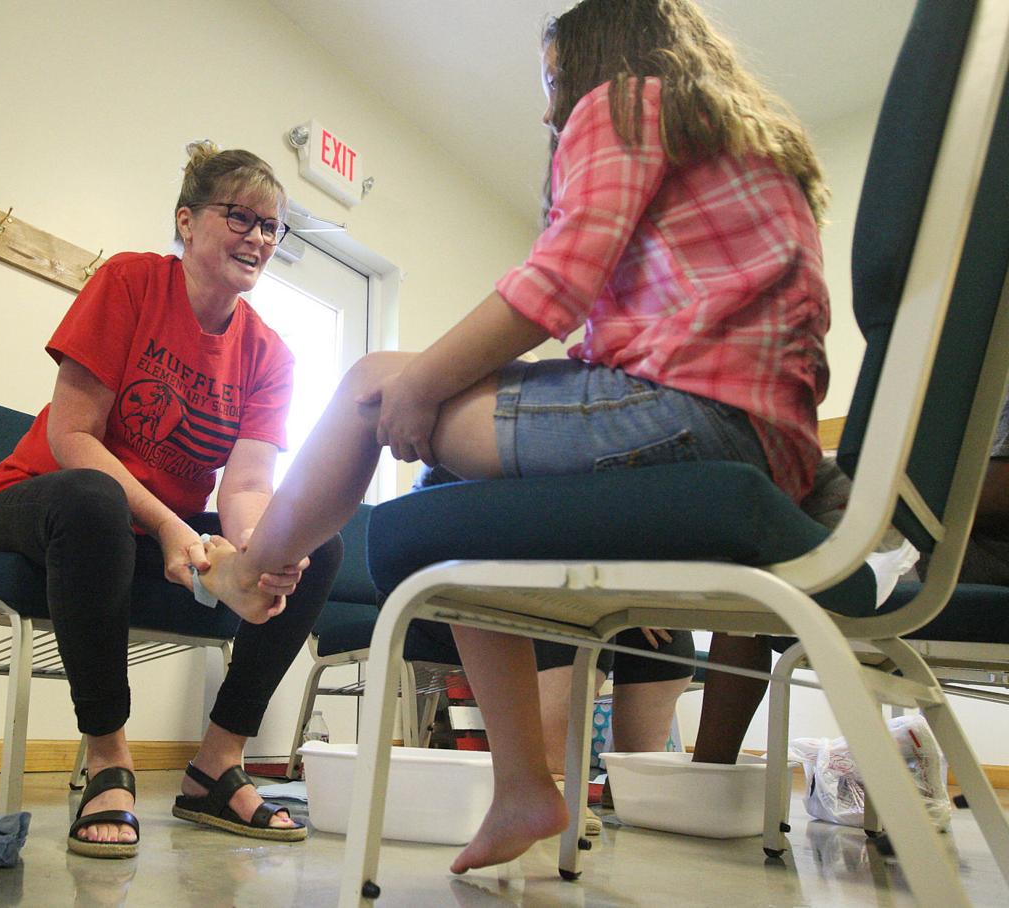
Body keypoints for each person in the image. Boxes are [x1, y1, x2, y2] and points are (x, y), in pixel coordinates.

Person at [196, 0, 829, 875]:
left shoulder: (628, 98)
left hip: (693, 417)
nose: (545, 110)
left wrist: (421, 386)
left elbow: (557, 283)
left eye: (550, 81)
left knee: (368, 384)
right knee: (449, 497)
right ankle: (524, 786)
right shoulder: (743, 141)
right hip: (763, 440)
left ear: (596, 60)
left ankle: (245, 569)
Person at [0, 144, 342, 858]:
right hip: (40, 504)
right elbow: (73, 436)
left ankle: (214, 765)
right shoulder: (130, 283)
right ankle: (109, 759)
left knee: (313, 544)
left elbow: (244, 486)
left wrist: (254, 551)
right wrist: (178, 532)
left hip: (135, 534)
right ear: (187, 221)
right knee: (92, 501)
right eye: (242, 217)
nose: (260, 238)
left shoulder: (270, 355)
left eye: (273, 228)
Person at [691, 395, 1009, 765]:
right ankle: (705, 780)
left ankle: (707, 775)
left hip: (969, 569)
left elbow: (1000, 491)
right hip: (947, 556)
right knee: (757, 582)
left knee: (758, 591)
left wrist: (888, 494)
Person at [414, 464, 695, 834]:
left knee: (661, 633)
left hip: (558, 563)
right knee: (568, 620)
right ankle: (548, 781)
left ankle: (632, 784)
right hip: (460, 568)